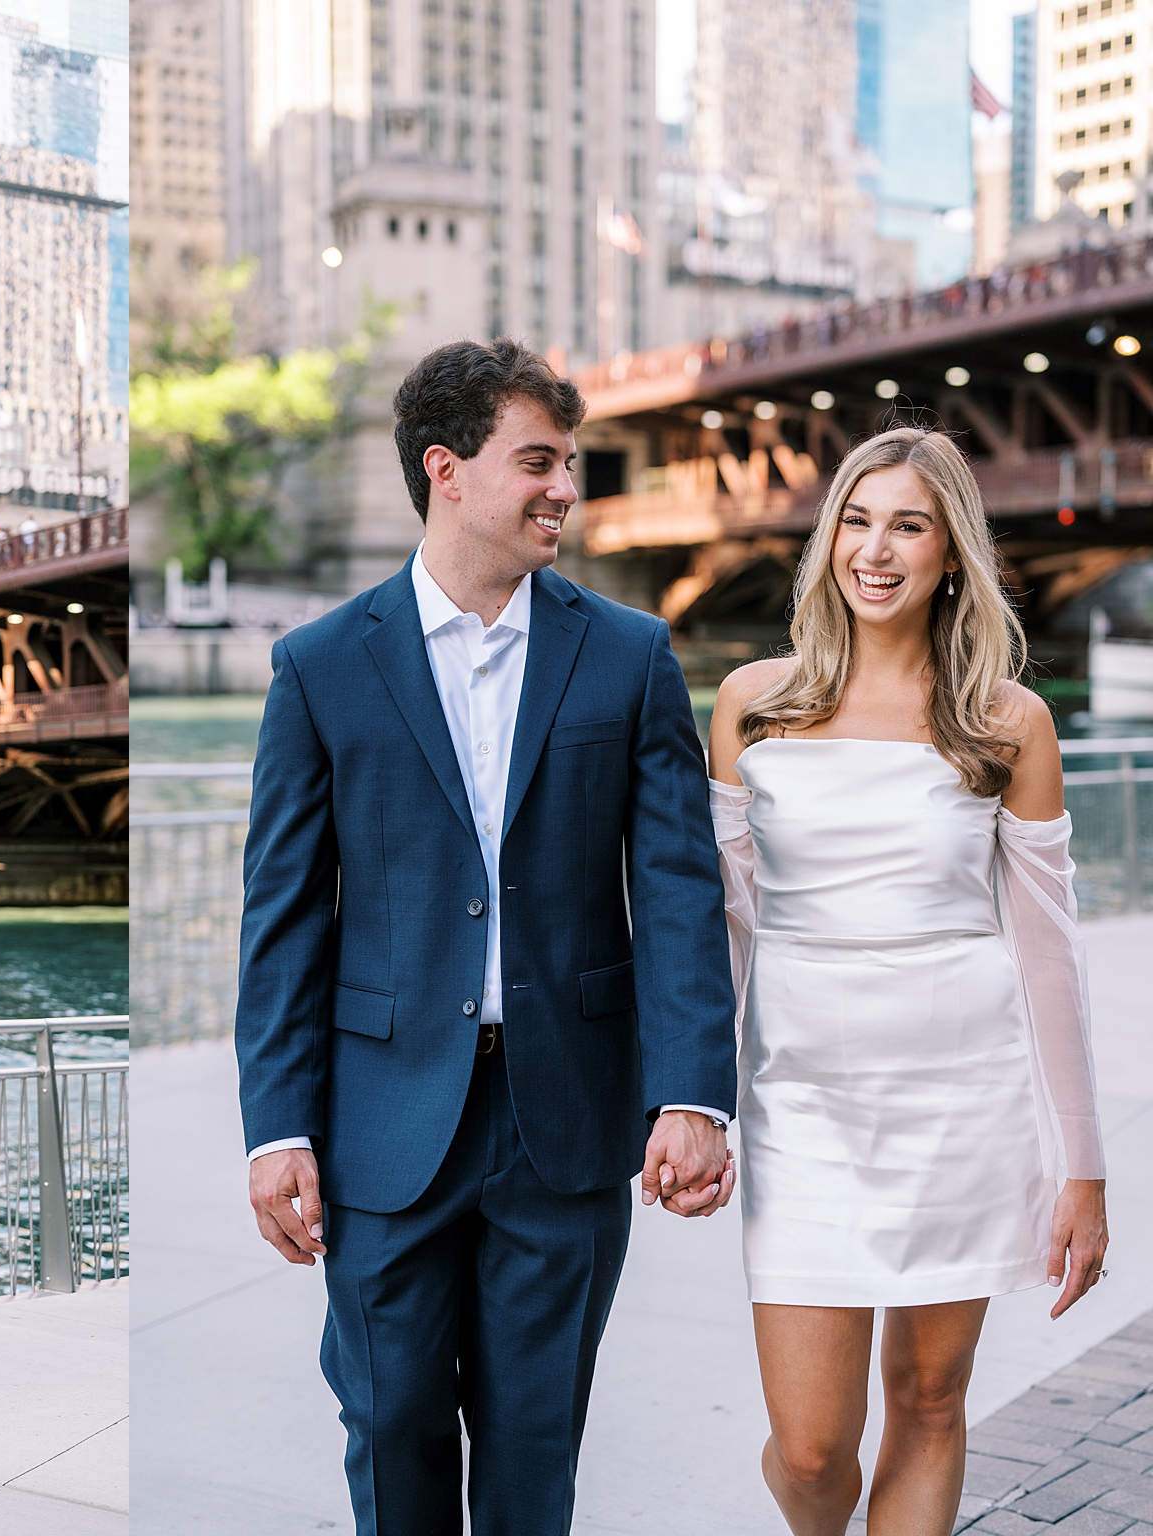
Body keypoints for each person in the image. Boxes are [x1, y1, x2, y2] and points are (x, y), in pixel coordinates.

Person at [236, 337, 739, 1536]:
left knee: (533, 1443)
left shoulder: (627, 656)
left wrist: (691, 1095)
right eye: (537, 462)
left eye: (566, 462)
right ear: (444, 469)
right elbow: (283, 916)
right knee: (390, 1420)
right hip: (378, 1126)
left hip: (562, 1123)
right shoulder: (315, 669)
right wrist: (277, 1127)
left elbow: (674, 890)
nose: (563, 487)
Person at [708, 427, 1108, 1535]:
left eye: (907, 525)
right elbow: (726, 932)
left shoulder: (1003, 723)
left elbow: (1047, 955)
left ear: (949, 556)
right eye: (856, 518)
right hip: (802, 1108)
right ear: (828, 534)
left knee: (928, 1399)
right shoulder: (753, 703)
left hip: (961, 1103)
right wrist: (689, 1102)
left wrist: (1080, 1166)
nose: (873, 550)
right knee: (807, 1447)